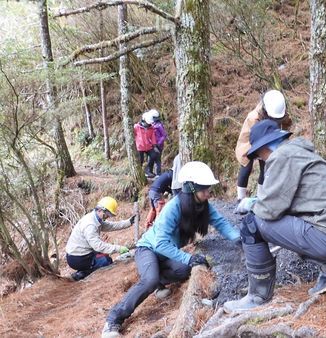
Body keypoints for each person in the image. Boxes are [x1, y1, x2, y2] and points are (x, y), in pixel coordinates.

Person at [223, 120, 326, 313]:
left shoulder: (282, 157)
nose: (260, 159)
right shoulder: (299, 153)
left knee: (251, 224)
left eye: (258, 155)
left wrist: (252, 204)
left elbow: (269, 210)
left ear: (264, 146)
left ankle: (257, 296)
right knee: (290, 225)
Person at [101, 161, 241, 338]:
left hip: (166, 253)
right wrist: (188, 258)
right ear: (191, 188)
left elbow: (221, 222)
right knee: (150, 280)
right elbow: (160, 244)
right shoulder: (173, 208)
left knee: (184, 269)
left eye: (208, 188)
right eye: (204, 189)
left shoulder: (203, 206)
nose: (208, 192)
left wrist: (238, 238)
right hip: (148, 249)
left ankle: (158, 279)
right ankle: (113, 320)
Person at [234, 90, 292, 200]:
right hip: (249, 141)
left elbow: (286, 125)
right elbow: (253, 137)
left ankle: (260, 197)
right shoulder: (253, 117)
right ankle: (240, 199)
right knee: (246, 166)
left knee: (265, 168)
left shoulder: (281, 113)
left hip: (269, 140)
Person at [66, 197, 134, 281]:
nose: (107, 217)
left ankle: (85, 269)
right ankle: (81, 274)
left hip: (82, 253)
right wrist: (118, 248)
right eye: (107, 215)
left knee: (104, 255)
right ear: (101, 210)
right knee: (106, 261)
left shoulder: (96, 218)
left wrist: (128, 222)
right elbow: (98, 246)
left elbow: (111, 226)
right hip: (77, 258)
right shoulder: (90, 224)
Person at [134, 114, 158, 178]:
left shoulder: (151, 128)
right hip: (140, 147)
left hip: (148, 146)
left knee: (153, 155)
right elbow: (133, 135)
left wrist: (154, 146)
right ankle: (139, 173)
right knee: (140, 160)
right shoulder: (137, 127)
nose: (148, 124)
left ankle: (148, 171)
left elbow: (153, 137)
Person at [145, 109, 167, 176]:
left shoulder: (159, 125)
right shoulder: (151, 124)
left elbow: (164, 135)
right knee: (150, 158)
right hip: (152, 145)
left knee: (157, 160)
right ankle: (149, 172)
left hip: (158, 145)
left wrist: (158, 143)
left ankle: (158, 174)